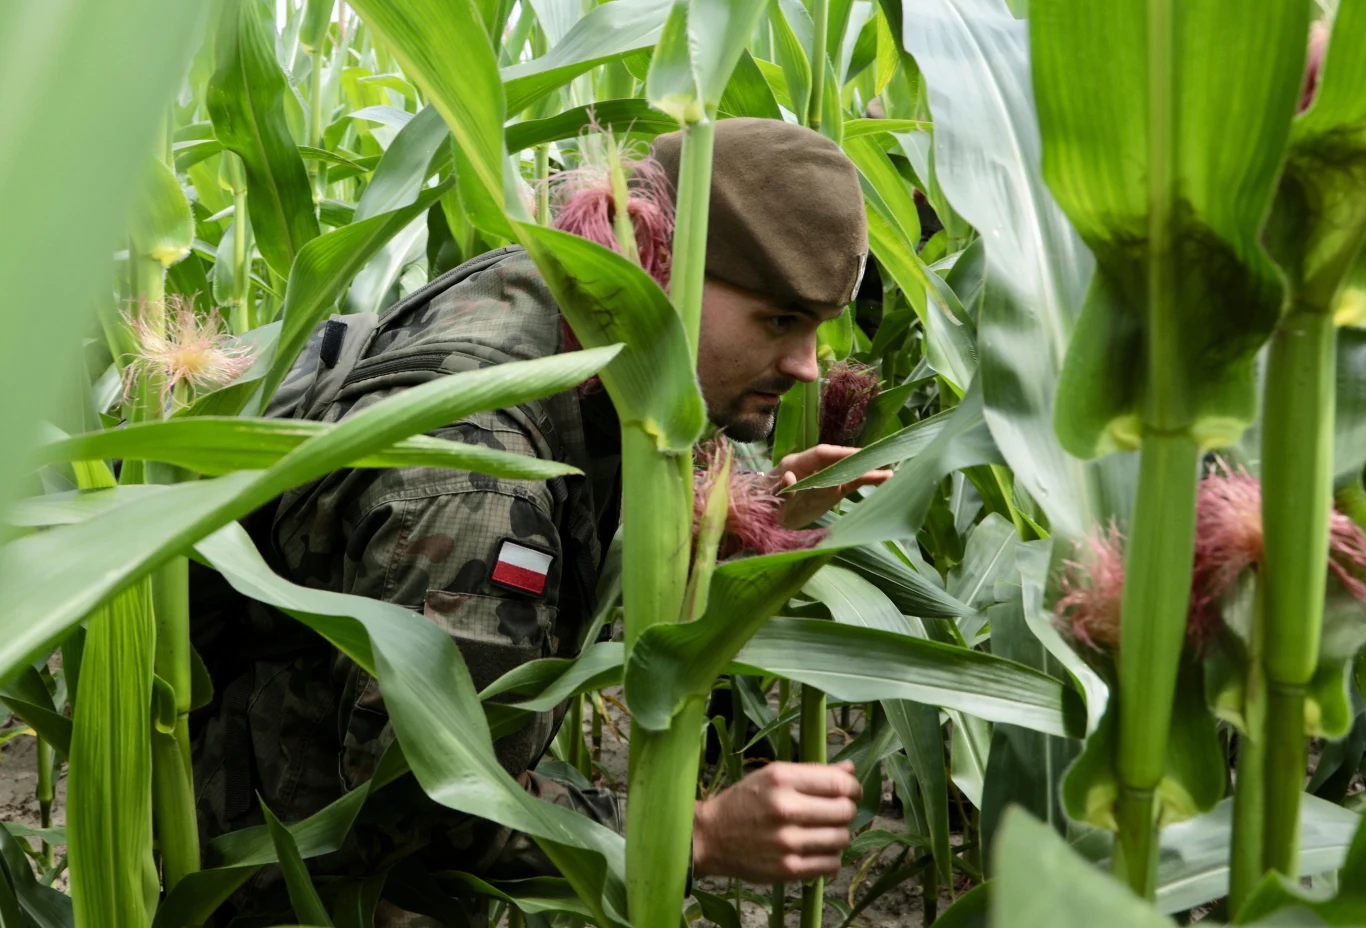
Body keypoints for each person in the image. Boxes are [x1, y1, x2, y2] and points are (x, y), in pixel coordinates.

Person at [192, 117, 887, 924]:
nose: (808, 366)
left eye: (817, 328)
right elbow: (432, 798)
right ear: (658, 263)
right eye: (778, 321)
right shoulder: (471, 477)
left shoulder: (554, 296)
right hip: (300, 881)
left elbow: (587, 457)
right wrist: (692, 835)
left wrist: (733, 515)